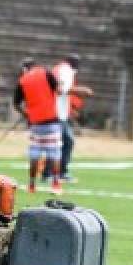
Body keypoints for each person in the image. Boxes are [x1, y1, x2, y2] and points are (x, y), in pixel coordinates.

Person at [13, 57, 63, 195]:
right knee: (54, 154)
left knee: (34, 155)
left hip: (35, 123)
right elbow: (58, 90)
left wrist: (26, 113)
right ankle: (56, 184)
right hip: (52, 120)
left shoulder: (22, 81)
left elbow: (16, 104)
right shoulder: (46, 73)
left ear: (24, 69)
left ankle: (31, 185)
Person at [49, 53, 93, 182]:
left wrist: (70, 109)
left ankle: (55, 172)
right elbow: (60, 89)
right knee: (64, 142)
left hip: (59, 112)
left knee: (62, 142)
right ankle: (55, 173)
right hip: (56, 113)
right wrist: (80, 90)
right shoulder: (65, 70)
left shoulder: (61, 69)